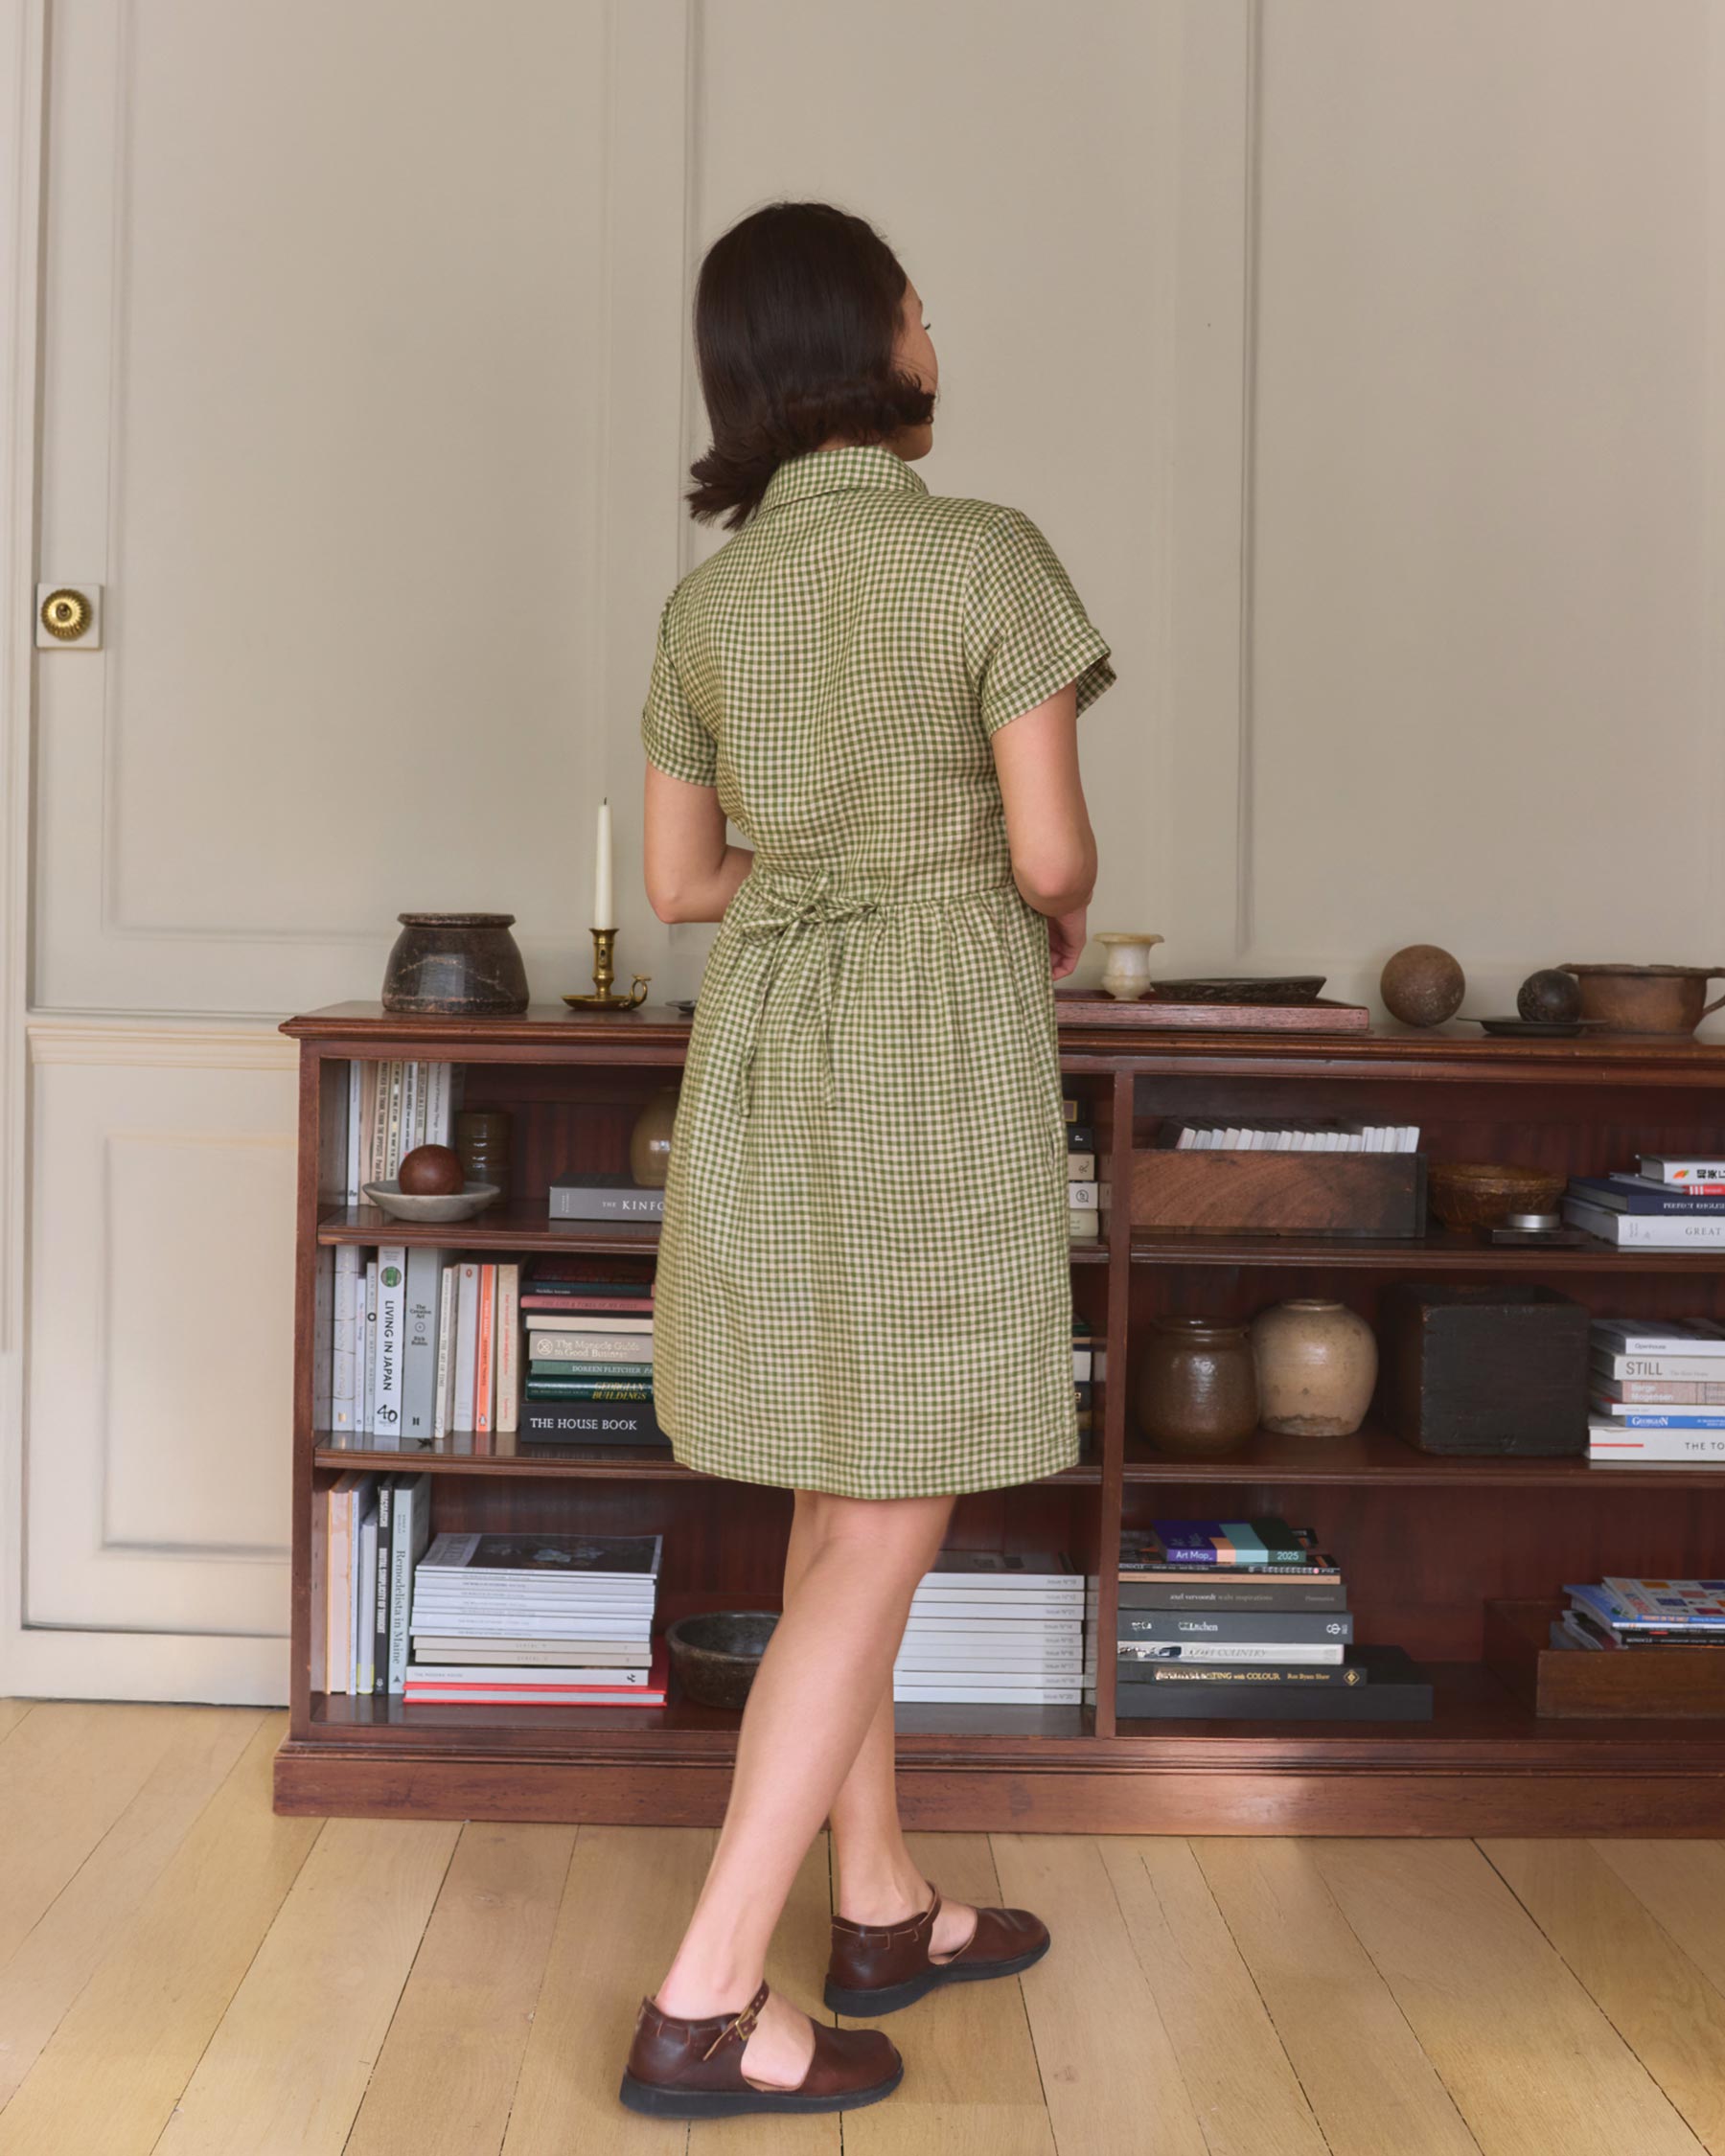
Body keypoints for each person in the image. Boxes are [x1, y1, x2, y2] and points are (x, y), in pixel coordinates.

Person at [620, 199, 1116, 2123]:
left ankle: (886, 1904)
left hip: (769, 1041)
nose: (936, 332)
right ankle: (707, 1997)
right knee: (894, 1506)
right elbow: (1052, 856)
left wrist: (809, 866)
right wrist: (1010, 901)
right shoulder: (989, 559)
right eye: (922, 308)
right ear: (883, 342)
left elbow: (680, 886)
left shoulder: (708, 607)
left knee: (843, 1487)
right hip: (930, 1043)